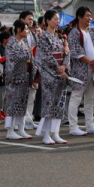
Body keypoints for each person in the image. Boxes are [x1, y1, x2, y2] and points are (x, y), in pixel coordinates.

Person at [66, 7, 94, 136]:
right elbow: (76, 52)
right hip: (80, 70)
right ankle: (73, 127)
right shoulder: (74, 33)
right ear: (79, 17)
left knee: (90, 98)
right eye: (87, 16)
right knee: (76, 97)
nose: (89, 18)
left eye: (90, 16)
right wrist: (91, 62)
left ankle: (90, 125)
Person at [33, 10, 71, 145]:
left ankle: (56, 133)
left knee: (59, 104)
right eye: (55, 19)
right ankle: (46, 134)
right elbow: (46, 56)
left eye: (58, 19)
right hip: (50, 74)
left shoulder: (61, 37)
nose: (57, 21)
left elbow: (67, 53)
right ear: (47, 21)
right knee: (49, 103)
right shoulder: (44, 37)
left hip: (61, 74)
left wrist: (65, 66)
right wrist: (58, 68)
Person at [3, 20, 35, 139]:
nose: (27, 31)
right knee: (12, 104)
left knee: (22, 104)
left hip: (24, 77)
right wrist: (28, 54)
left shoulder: (24, 43)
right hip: (14, 78)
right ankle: (10, 130)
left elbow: (28, 58)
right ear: (18, 29)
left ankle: (21, 129)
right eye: (25, 29)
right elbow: (12, 59)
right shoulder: (11, 43)